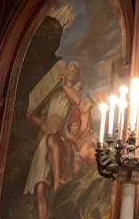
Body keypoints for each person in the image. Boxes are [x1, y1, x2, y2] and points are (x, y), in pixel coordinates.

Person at [24, 59, 82, 219]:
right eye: (69, 69)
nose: (71, 72)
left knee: (52, 141)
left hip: (59, 135)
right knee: (40, 188)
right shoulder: (54, 94)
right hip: (44, 138)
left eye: (73, 71)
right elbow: (43, 121)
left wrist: (64, 85)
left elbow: (77, 102)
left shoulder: (74, 90)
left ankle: (57, 182)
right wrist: (31, 118)